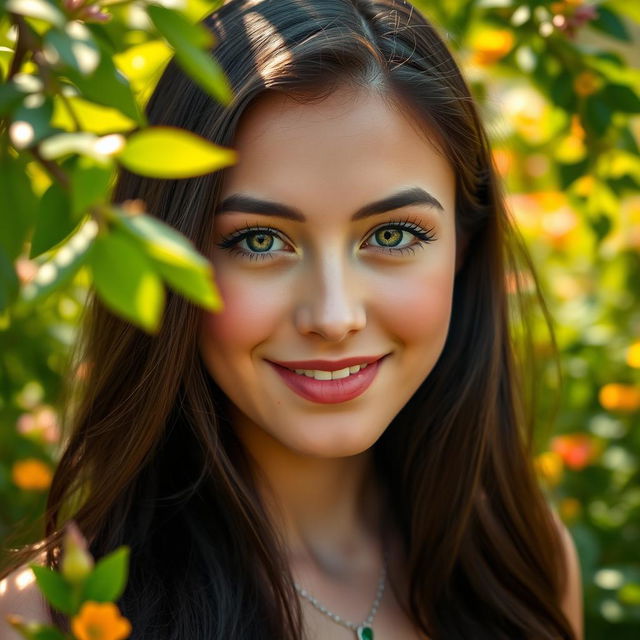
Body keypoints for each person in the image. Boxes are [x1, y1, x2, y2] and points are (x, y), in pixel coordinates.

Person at [0, 1, 583, 638]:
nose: (333, 317)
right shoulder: (44, 617)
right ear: (163, 256)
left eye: (391, 233)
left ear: (462, 247)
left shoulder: (524, 566)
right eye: (257, 241)